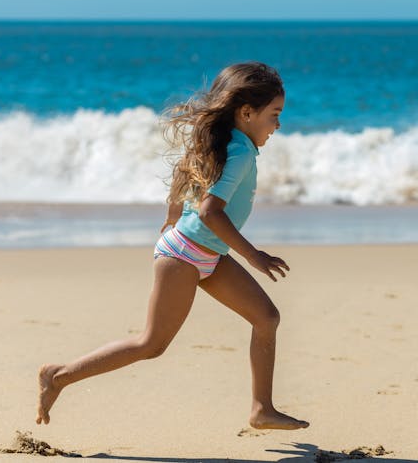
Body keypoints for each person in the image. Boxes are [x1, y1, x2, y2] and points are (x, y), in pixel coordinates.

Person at [36, 62, 309, 431]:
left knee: (267, 318)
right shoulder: (240, 151)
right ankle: (58, 376)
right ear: (247, 112)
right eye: (274, 115)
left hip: (206, 253)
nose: (278, 124)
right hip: (184, 256)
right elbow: (212, 212)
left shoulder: (225, 140)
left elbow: (185, 167)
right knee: (151, 344)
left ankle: (262, 409)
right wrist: (253, 255)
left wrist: (173, 212)